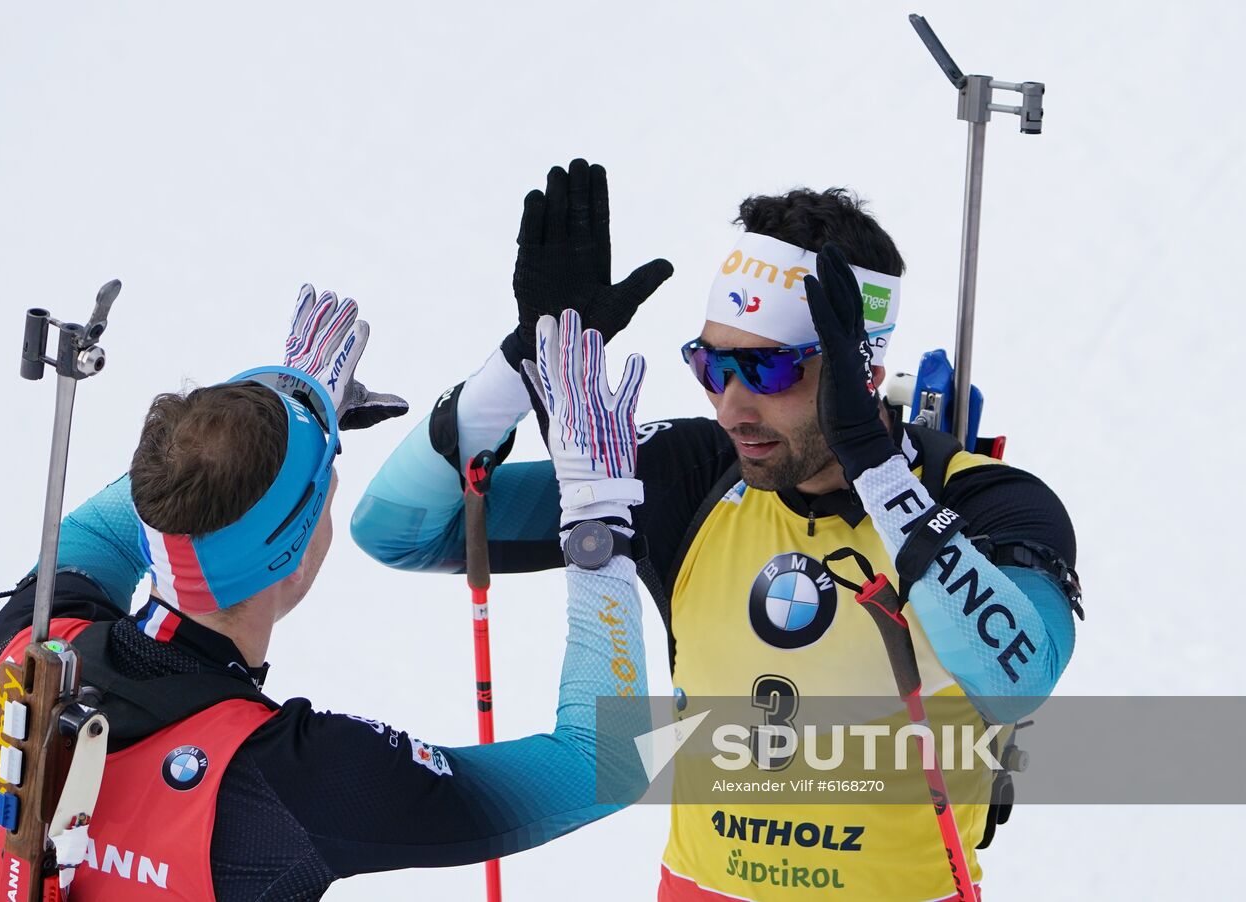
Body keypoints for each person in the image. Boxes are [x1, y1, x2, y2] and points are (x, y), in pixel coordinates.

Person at [350, 159, 1083, 901]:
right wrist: (523, 361)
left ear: (860, 369)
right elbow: (402, 531)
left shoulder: (984, 502)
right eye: (710, 365)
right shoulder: (693, 475)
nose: (731, 406)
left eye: (766, 372)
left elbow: (1017, 685)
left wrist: (881, 477)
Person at [0, 285, 654, 900]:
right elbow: (610, 761)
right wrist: (600, 525)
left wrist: (282, 411)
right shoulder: (299, 782)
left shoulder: (32, 643)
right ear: (292, 558)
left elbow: (120, 524)